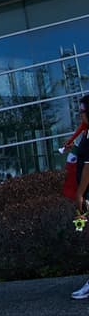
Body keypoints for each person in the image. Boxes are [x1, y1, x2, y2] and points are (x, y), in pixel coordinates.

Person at [70, 97, 89, 299]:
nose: (80, 113)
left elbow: (88, 167)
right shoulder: (86, 132)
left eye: (82, 110)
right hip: (84, 194)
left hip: (86, 195)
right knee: (81, 228)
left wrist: (80, 194)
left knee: (84, 231)